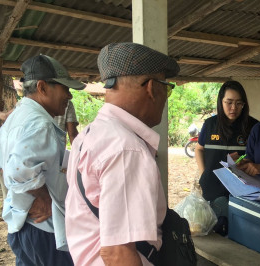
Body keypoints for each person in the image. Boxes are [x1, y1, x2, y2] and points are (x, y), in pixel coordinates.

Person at [65, 42, 179, 265]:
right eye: (167, 87)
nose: (166, 96)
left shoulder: (88, 135)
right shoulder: (127, 150)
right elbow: (118, 253)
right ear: (152, 88)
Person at [0, 54, 85, 265]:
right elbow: (18, 170)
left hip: (21, 224)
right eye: (64, 88)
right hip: (43, 229)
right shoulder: (40, 123)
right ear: (42, 87)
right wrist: (44, 197)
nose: (69, 96)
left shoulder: (17, 117)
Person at [195, 80, 258, 236]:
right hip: (212, 188)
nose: (233, 108)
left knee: (239, 233)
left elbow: (257, 158)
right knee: (213, 231)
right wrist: (204, 173)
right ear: (220, 101)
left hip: (241, 190)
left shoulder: (252, 126)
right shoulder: (210, 124)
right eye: (229, 102)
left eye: (238, 103)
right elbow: (199, 149)